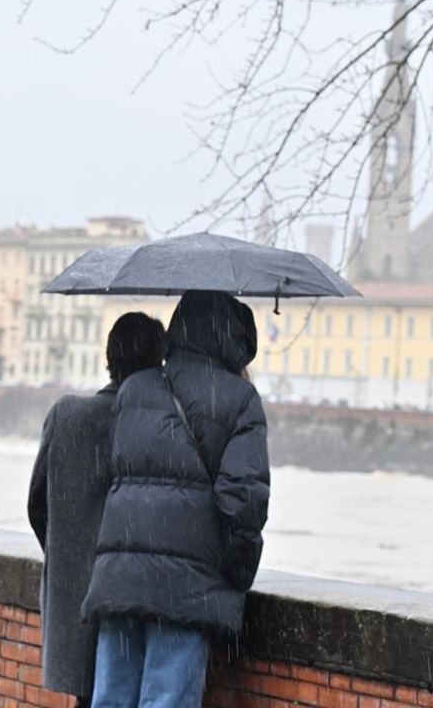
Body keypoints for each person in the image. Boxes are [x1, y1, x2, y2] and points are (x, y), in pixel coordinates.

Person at [84, 290, 270, 708]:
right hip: (183, 586)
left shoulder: (135, 389)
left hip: (120, 577)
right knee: (166, 699)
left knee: (110, 699)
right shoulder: (240, 400)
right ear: (235, 342)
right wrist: (238, 572)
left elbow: (118, 478)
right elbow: (244, 499)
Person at [27, 312, 167, 707]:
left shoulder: (68, 415)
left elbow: (37, 506)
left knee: (88, 697)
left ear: (109, 357)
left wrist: (69, 555)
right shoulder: (156, 425)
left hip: (75, 597)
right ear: (158, 364)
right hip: (133, 601)